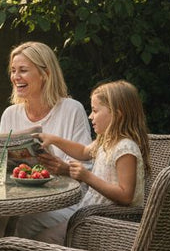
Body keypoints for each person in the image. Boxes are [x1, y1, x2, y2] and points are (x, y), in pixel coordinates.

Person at [0, 41, 92, 243]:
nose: (15, 77)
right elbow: (2, 164)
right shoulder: (11, 114)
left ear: (45, 74)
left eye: (23, 70)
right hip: (18, 198)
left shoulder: (72, 110)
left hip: (64, 199)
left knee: (23, 221)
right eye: (13, 71)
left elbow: (89, 166)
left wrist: (64, 168)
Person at [37, 80, 150, 211]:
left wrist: (87, 177)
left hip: (109, 219)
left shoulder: (125, 148)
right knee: (35, 225)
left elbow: (126, 196)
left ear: (117, 115)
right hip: (91, 214)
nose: (90, 116)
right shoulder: (105, 141)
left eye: (95, 111)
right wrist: (54, 140)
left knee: (46, 231)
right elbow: (83, 151)